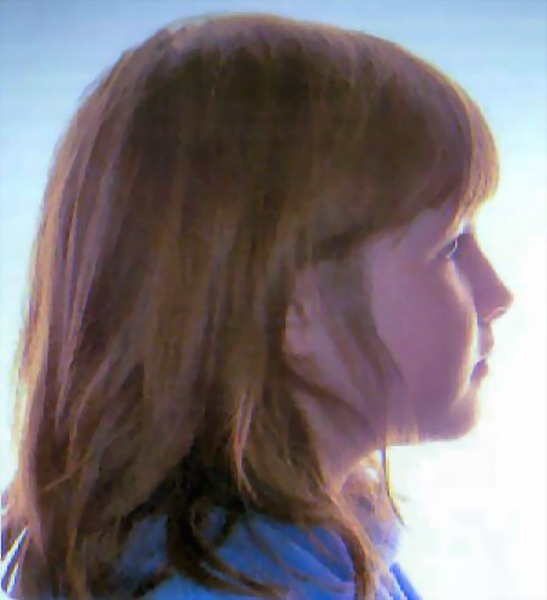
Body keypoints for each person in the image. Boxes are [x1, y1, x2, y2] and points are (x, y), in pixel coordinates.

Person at [0, 12, 513, 600]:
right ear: (292, 307)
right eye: (451, 246)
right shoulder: (227, 585)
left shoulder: (306, 544)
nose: (499, 294)